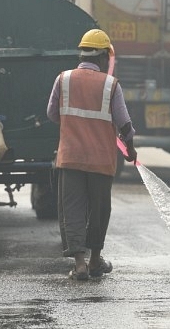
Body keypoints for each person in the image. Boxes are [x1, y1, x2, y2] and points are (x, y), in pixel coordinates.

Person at [46, 29, 137, 280]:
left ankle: (80, 264)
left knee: (72, 209)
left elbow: (52, 115)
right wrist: (130, 150)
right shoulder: (111, 85)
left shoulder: (62, 80)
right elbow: (125, 125)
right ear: (103, 57)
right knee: (98, 210)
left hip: (70, 157)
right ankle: (96, 260)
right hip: (101, 161)